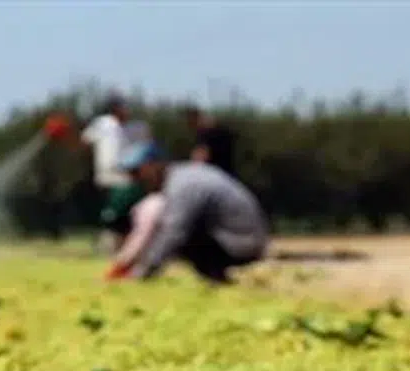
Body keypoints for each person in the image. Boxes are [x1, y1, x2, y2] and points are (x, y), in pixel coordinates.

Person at [106, 141, 269, 284]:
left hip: (241, 242)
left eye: (136, 172)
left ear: (153, 165)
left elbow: (173, 234)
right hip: (240, 237)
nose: (135, 180)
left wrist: (140, 274)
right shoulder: (183, 176)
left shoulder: (182, 186)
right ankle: (218, 279)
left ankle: (216, 277)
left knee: (174, 235)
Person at [80, 95, 134, 252]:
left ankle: (121, 245)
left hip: (125, 176)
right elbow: (85, 141)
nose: (126, 111)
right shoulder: (103, 123)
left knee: (123, 213)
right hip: (107, 175)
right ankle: (109, 244)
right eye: (123, 107)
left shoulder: (132, 128)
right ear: (115, 108)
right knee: (111, 212)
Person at [183, 105, 237, 176]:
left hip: (215, 175)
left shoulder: (206, 134)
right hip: (224, 175)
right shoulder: (218, 131)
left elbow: (200, 158)